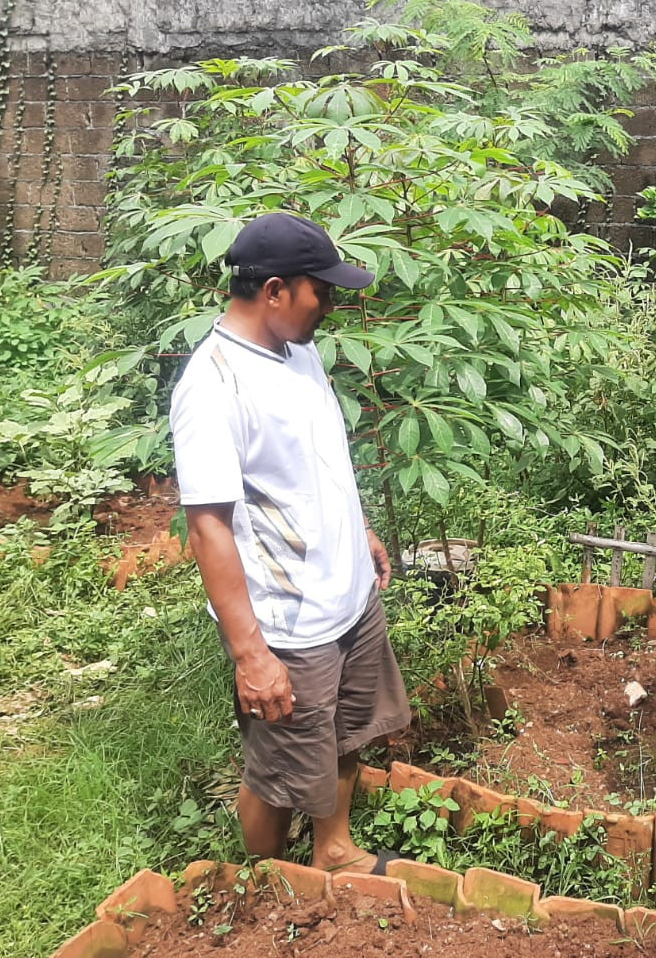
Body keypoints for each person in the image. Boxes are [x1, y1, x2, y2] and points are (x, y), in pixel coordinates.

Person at [170, 212, 411, 872]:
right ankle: (265, 894)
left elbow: (317, 460)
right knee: (278, 771)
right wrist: (252, 654)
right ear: (274, 290)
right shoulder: (215, 385)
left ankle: (334, 851)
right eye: (322, 291)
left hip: (346, 595)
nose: (330, 305)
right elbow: (208, 526)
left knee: (344, 733)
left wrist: (355, 530)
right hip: (286, 620)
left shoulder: (298, 351)